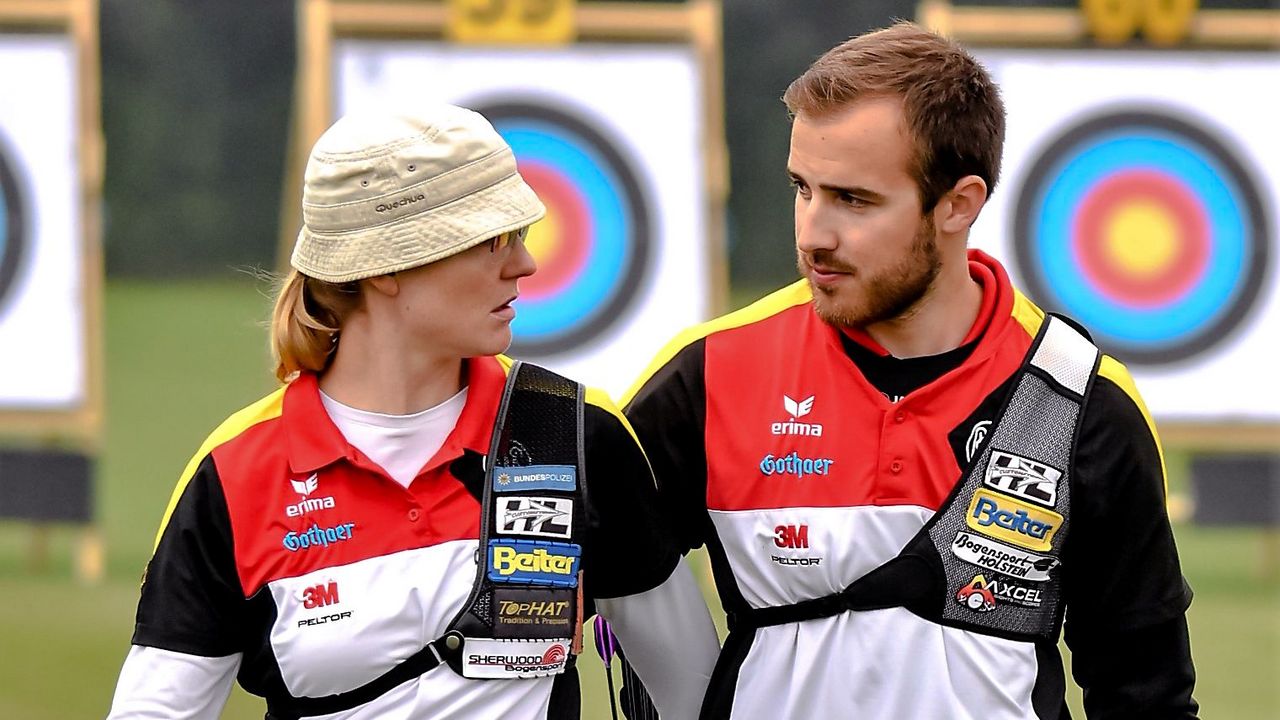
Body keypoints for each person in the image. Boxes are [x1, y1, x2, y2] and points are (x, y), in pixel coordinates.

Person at [622, 22, 1198, 720]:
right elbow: (590, 584)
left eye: (853, 199)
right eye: (803, 188)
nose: (812, 234)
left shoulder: (1079, 400)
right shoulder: (711, 372)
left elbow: (1146, 690)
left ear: (959, 204)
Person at [106, 103, 719, 720]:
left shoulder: (571, 434)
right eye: (493, 241)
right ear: (388, 269)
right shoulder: (237, 476)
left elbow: (692, 692)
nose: (524, 265)